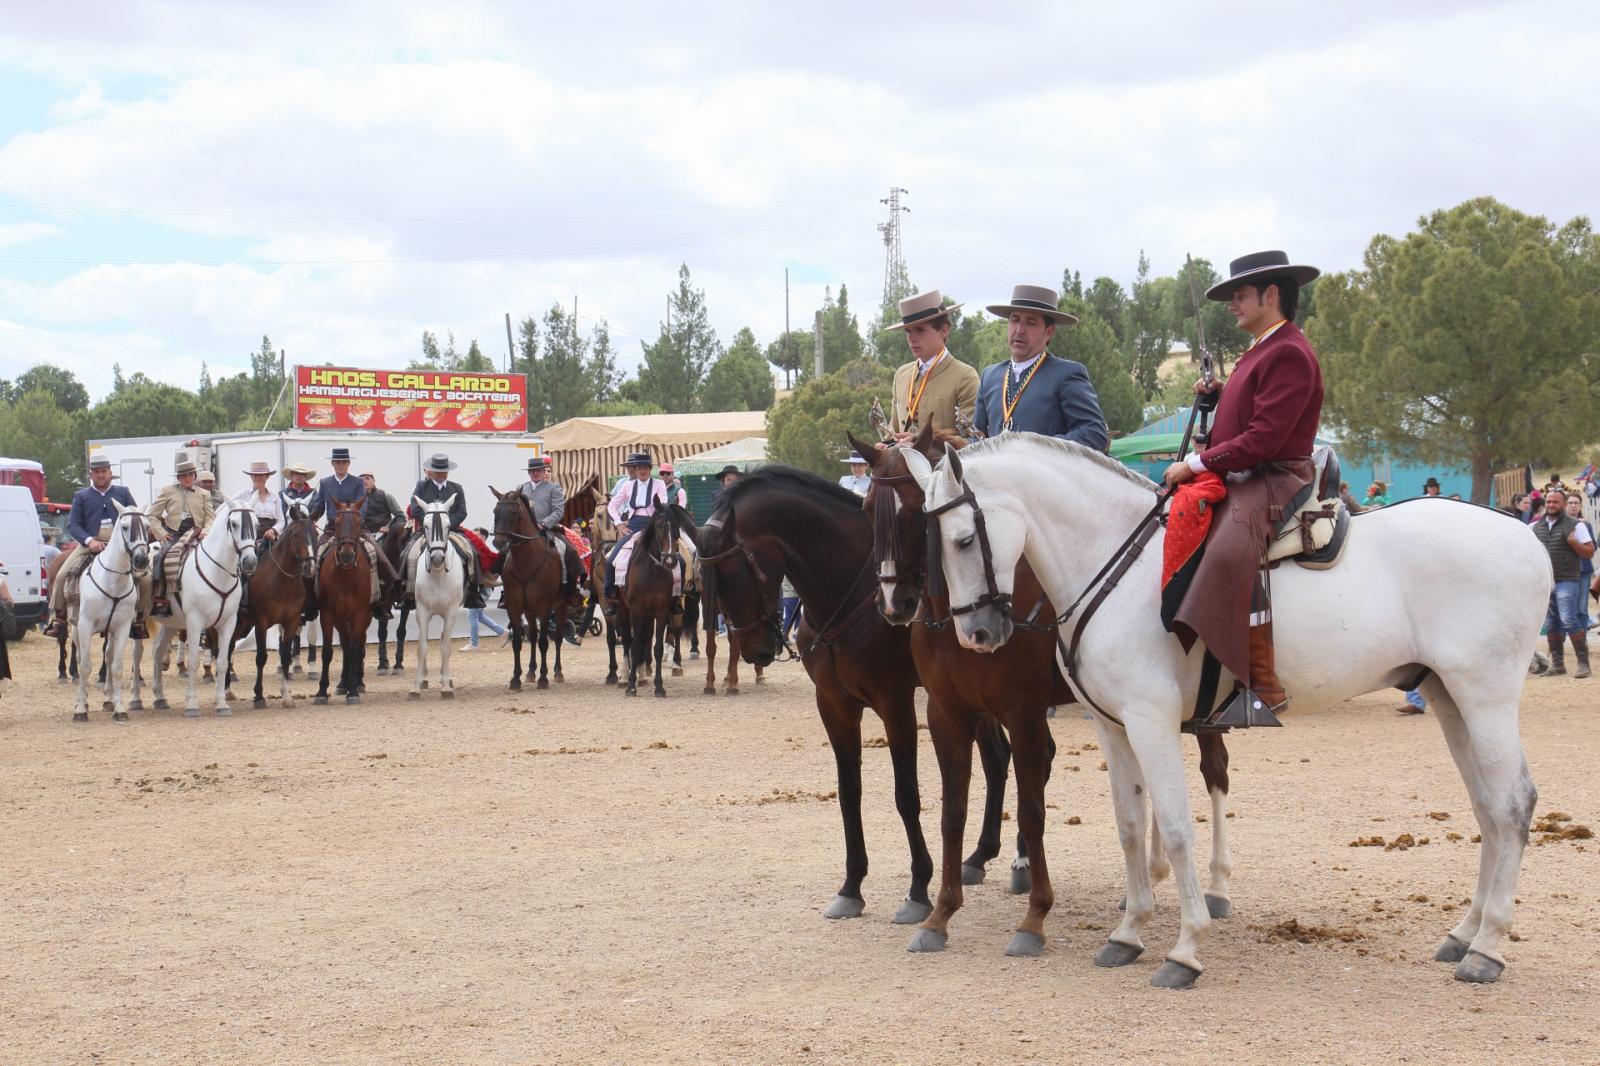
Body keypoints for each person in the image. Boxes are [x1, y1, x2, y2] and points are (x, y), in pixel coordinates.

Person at [1163, 250, 1324, 728]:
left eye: (1240, 295)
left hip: (1275, 475)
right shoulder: (1264, 347)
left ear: (1270, 295)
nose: (1232, 304)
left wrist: (1195, 462)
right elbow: (1249, 411)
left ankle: (1260, 683)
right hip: (1250, 472)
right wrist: (1216, 397)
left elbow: (1264, 439)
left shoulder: (1289, 351)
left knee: (1231, 551)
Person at [973, 284, 1109, 450]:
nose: (1019, 330)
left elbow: (1094, 433)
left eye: (1030, 323)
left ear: (1049, 332)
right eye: (1015, 319)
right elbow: (978, 435)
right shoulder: (989, 376)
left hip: (1048, 474)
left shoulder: (1066, 374)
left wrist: (1039, 449)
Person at [43, 456, 140, 638]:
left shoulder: (123, 493)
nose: (101, 475)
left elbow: (134, 518)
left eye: (104, 471)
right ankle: (59, 619)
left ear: (110, 473)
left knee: (144, 575)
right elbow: (73, 525)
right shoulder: (81, 496)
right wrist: (90, 541)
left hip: (118, 545)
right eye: (97, 472)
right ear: (91, 474)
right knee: (63, 574)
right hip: (90, 543)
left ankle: (139, 618)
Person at [883, 289, 979, 443]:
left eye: (920, 330)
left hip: (945, 466)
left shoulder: (965, 376)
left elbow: (972, 440)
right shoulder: (901, 375)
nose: (912, 338)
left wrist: (917, 441)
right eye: (908, 331)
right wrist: (883, 448)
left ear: (944, 330)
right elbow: (894, 431)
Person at [513, 455, 585, 642]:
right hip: (524, 533)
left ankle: (571, 588)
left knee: (568, 551)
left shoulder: (554, 488)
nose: (535, 473)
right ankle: (509, 592)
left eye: (538, 470)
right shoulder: (521, 489)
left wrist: (544, 524)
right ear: (529, 472)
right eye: (532, 471)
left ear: (544, 472)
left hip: (548, 530)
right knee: (507, 556)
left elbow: (559, 511)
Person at [407, 453, 484, 608]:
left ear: (448, 472)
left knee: (472, 552)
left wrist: (446, 524)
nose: (441, 474)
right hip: (426, 531)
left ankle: (474, 593)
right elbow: (415, 508)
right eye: (437, 471)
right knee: (409, 554)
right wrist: (430, 523)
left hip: (451, 530)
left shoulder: (457, 488)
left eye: (444, 471)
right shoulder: (421, 486)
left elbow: (462, 511)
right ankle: (406, 591)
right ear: (432, 472)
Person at [1532, 488, 1593, 678]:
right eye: (1548, 502)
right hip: (1545, 580)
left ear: (1564, 505)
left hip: (1567, 578)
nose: (1551, 505)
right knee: (1552, 623)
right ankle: (1558, 665)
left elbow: (1589, 552)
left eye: (1555, 502)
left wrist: (1573, 542)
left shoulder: (1576, 526)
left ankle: (1583, 664)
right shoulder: (1535, 526)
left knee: (1568, 618)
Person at [148, 458, 216, 617]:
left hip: (197, 534)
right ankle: (160, 596)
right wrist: (161, 534)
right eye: (183, 475)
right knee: (160, 556)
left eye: (190, 475)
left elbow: (210, 517)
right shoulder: (167, 491)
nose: (187, 478)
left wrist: (206, 530)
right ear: (178, 478)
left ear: (194, 476)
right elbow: (151, 515)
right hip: (174, 534)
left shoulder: (204, 494)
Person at [604, 452, 666, 600]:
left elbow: (663, 505)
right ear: (635, 470)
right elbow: (612, 506)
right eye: (639, 468)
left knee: (679, 560)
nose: (642, 471)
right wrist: (619, 524)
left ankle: (676, 596)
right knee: (611, 559)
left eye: (645, 468)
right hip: (633, 526)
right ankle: (611, 596)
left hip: (654, 526)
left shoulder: (659, 484)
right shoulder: (628, 485)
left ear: (650, 469)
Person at [460, 528, 507, 653]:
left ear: (484, 538)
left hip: (484, 589)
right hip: (480, 588)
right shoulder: (476, 552)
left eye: (477, 536)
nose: (473, 538)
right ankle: (503, 632)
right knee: (479, 615)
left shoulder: (485, 554)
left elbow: (494, 572)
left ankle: (473, 643)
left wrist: (490, 578)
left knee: (473, 615)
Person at [232, 459, 286, 548]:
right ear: (251, 477)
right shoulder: (242, 495)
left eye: (261, 475)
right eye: (255, 475)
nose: (258, 478)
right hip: (248, 536)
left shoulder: (275, 497)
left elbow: (281, 520)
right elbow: (225, 507)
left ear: (267, 476)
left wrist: (273, 530)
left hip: (269, 536)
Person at [1566, 492, 1596, 633]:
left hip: (1583, 570)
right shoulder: (1560, 524)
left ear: (1580, 506)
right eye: (1570, 503)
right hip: (1565, 571)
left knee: (1582, 607)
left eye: (1576, 503)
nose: (1573, 506)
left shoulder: (1586, 525)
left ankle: (1582, 638)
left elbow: (1593, 547)